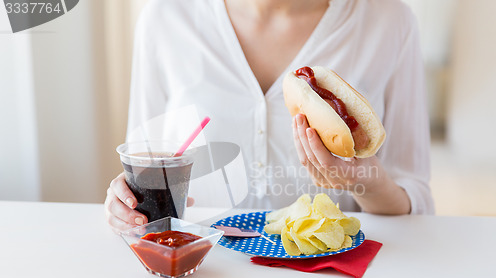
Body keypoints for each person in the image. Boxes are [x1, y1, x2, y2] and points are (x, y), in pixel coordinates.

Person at [105, 0, 434, 232]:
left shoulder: (390, 22)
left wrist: (363, 182)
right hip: (201, 276)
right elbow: (143, 168)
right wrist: (127, 204)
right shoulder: (165, 19)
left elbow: (414, 197)